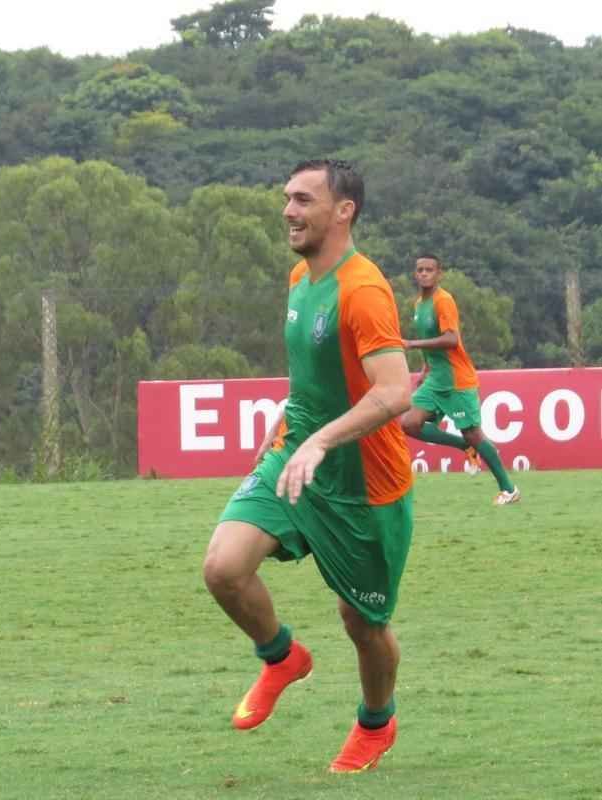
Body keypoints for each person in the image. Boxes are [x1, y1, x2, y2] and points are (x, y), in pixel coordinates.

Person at [203, 159, 414, 773]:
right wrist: (287, 429)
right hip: (294, 458)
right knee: (224, 567)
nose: (288, 210)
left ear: (343, 210)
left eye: (303, 199)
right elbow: (313, 378)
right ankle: (281, 657)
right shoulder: (301, 277)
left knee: (363, 622)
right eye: (287, 198)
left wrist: (322, 441)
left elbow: (395, 390)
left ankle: (376, 723)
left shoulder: (364, 289)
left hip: (366, 489)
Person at [400, 255, 520, 505]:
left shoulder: (444, 301)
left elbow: (452, 339)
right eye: (420, 270)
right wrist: (425, 370)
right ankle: (464, 448)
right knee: (409, 423)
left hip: (457, 380)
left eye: (429, 270)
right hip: (436, 379)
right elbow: (431, 342)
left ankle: (509, 489)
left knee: (474, 434)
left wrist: (411, 344)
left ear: (439, 274)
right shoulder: (419, 303)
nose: (424, 274)